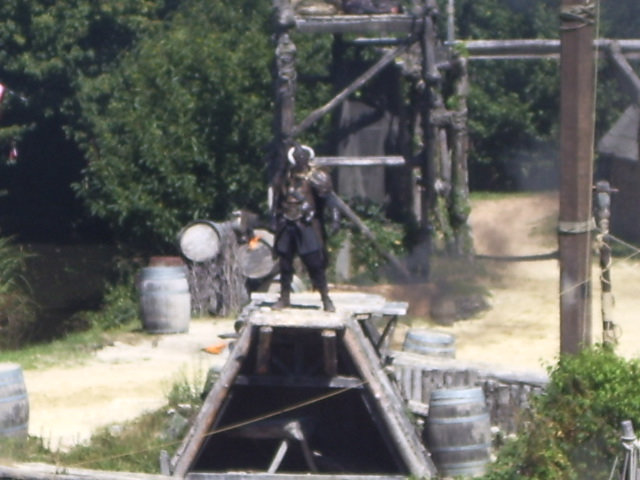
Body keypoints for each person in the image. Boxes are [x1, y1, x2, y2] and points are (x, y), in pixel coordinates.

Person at [270, 143, 338, 312]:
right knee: (285, 264)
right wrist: (274, 219)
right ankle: (284, 297)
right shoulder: (285, 177)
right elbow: (277, 201)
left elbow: (330, 201)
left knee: (315, 263)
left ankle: (325, 298)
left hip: (306, 224)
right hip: (286, 223)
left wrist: (335, 218)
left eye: (303, 158)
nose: (300, 161)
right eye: (298, 158)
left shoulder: (317, 177)